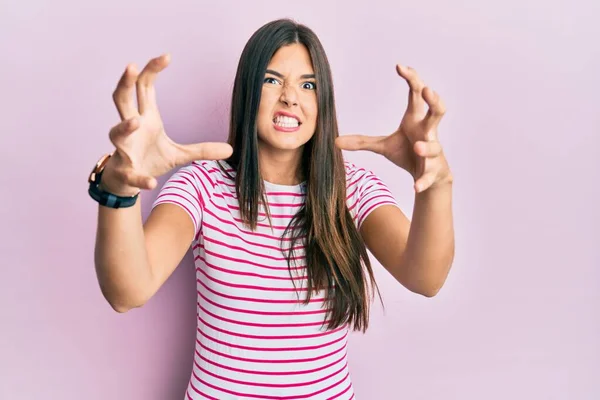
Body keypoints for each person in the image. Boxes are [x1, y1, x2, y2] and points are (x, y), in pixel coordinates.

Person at [88, 18, 455, 400]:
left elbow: (425, 278)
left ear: (323, 102)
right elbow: (127, 292)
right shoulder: (201, 187)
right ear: (248, 91)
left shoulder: (352, 188)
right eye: (272, 79)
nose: (291, 97)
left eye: (308, 85)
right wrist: (119, 188)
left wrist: (436, 184)